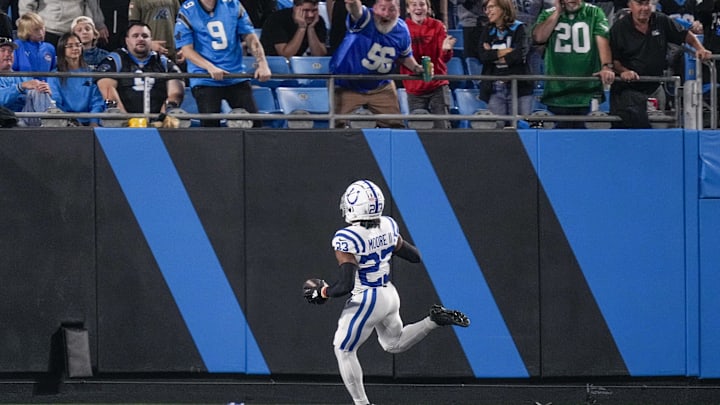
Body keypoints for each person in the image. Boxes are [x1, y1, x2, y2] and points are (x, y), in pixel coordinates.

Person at [303, 179, 470, 405]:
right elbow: (415, 256)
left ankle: (362, 404)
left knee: (343, 349)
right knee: (393, 343)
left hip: (367, 298)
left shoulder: (346, 238)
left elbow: (346, 285)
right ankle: (433, 320)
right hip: (389, 294)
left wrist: (322, 292)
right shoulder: (388, 225)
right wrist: (384, 245)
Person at [609, 0, 711, 128]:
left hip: (655, 86)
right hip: (628, 90)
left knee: (660, 129)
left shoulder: (661, 20)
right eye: (640, 4)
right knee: (635, 128)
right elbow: (614, 61)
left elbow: (685, 35)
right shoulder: (619, 28)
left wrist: (700, 48)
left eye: (647, 4)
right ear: (630, 5)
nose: (645, 8)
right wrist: (623, 71)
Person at [330, 0, 428, 128]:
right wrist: (352, 2)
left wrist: (416, 68)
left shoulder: (402, 30)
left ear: (398, 11)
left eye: (391, 9)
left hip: (381, 86)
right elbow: (356, 11)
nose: (386, 14)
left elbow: (404, 56)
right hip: (348, 85)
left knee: (396, 127)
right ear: (374, 8)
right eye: (382, 8)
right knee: (338, 128)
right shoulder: (366, 19)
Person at [175, 0, 271, 127]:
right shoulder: (187, 10)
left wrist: (262, 63)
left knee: (254, 124)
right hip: (205, 78)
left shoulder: (234, 4)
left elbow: (250, 37)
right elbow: (186, 50)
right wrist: (210, 67)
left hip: (235, 75)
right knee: (210, 127)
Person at [532, 0, 615, 128]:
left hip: (587, 90)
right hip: (557, 91)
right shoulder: (548, 14)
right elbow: (539, 37)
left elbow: (602, 39)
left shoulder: (594, 12)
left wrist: (606, 66)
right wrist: (557, 13)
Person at [96, 22, 184, 116]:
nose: (140, 39)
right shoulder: (115, 60)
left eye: (145, 36)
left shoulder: (163, 62)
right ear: (127, 40)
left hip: (157, 121)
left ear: (151, 40)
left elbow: (176, 92)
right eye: (135, 36)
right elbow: (107, 89)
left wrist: (163, 117)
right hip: (123, 121)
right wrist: (124, 118)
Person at [477, 0, 534, 127]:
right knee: (497, 130)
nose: (488, 11)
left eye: (491, 7)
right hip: (495, 87)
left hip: (520, 88)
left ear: (503, 8)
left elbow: (519, 55)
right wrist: (504, 52)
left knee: (523, 127)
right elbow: (483, 56)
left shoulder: (520, 28)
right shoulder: (487, 30)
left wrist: (493, 53)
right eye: (486, 9)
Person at [400, 0, 455, 128]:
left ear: (428, 8)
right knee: (418, 130)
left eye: (422, 4)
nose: (418, 8)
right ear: (408, 9)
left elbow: (444, 58)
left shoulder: (437, 26)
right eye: (414, 5)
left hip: (438, 86)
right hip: (414, 88)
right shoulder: (402, 28)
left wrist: (446, 50)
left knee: (442, 128)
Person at [48, 33, 105, 127]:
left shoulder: (91, 73)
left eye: (78, 45)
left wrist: (94, 121)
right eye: (70, 46)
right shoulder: (54, 75)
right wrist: (70, 122)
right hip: (65, 123)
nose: (75, 48)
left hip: (90, 122)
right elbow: (56, 101)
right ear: (62, 49)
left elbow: (97, 101)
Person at [0, 36, 53, 126]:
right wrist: (20, 87)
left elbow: (36, 96)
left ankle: (52, 126)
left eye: (10, 51)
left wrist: (48, 91)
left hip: (28, 118)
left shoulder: (22, 76)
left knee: (38, 89)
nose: (8, 54)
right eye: (3, 50)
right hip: (6, 121)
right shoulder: (23, 81)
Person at [18, 0, 108, 47]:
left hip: (77, 30)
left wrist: (99, 24)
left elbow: (92, 3)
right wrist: (28, 27)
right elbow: (26, 5)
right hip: (49, 30)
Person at [260, 0, 328, 58]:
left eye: (314, 10)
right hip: (272, 64)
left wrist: (311, 28)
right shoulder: (277, 19)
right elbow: (285, 55)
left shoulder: (318, 21)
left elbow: (319, 55)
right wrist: (302, 28)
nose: (311, 15)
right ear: (295, 8)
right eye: (306, 10)